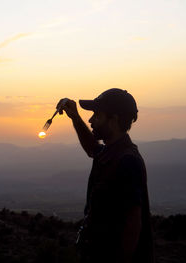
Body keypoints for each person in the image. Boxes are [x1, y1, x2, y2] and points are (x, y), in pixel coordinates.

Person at [57, 88, 154, 263]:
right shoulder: (111, 153)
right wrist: (75, 117)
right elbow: (92, 148)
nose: (91, 120)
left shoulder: (127, 161)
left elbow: (133, 224)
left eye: (97, 115)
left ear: (114, 119)